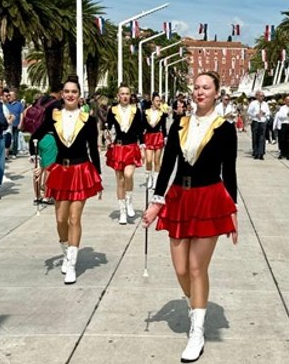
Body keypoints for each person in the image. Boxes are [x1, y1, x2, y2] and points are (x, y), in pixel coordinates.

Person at [142, 71, 238, 363]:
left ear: (216, 92)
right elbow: (168, 164)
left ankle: (197, 330)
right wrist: (156, 202)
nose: (200, 92)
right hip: (179, 199)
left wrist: (232, 211)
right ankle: (193, 303)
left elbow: (229, 172)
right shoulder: (179, 124)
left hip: (209, 199)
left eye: (206, 87)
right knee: (181, 268)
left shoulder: (225, 128)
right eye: (196, 87)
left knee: (197, 267)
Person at [31, 75, 102, 284]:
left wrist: (97, 175)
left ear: (80, 96)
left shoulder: (88, 120)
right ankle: (65, 252)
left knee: (74, 218)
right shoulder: (53, 116)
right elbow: (36, 135)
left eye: (74, 92)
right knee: (61, 219)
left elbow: (93, 149)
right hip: (61, 171)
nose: (70, 95)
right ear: (62, 95)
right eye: (67, 91)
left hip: (81, 171)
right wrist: (37, 162)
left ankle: (71, 264)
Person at [106, 85, 145, 225]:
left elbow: (141, 130)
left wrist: (143, 145)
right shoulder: (113, 110)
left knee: (129, 174)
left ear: (130, 95)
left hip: (131, 146)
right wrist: (107, 135)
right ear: (118, 96)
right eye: (122, 94)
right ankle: (122, 211)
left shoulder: (136, 110)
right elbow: (108, 126)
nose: (125, 96)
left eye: (127, 93)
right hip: (118, 146)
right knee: (120, 180)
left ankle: (129, 201)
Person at [144, 94, 168, 189]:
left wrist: (165, 137)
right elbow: (142, 126)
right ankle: (149, 178)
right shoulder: (146, 112)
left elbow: (164, 127)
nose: (159, 103)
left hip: (158, 137)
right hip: (149, 137)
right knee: (149, 160)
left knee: (157, 160)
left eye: (159, 101)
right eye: (157, 101)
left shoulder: (162, 113)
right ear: (152, 101)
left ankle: (156, 180)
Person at [248, 91, 270, 160]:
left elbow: (268, 112)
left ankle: (261, 153)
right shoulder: (253, 103)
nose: (261, 97)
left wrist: (264, 113)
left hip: (262, 121)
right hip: (256, 121)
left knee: (262, 138)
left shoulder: (265, 104)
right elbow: (249, 112)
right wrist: (255, 114)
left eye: (263, 96)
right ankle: (256, 152)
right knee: (255, 137)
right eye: (260, 96)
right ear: (257, 96)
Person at [6, 90, 24, 158]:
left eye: (10, 95)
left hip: (16, 124)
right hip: (8, 125)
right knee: (8, 139)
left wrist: (20, 123)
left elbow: (21, 114)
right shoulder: (6, 104)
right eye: (8, 95)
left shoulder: (19, 105)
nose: (8, 97)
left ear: (14, 97)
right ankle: (7, 153)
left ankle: (14, 153)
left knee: (15, 139)